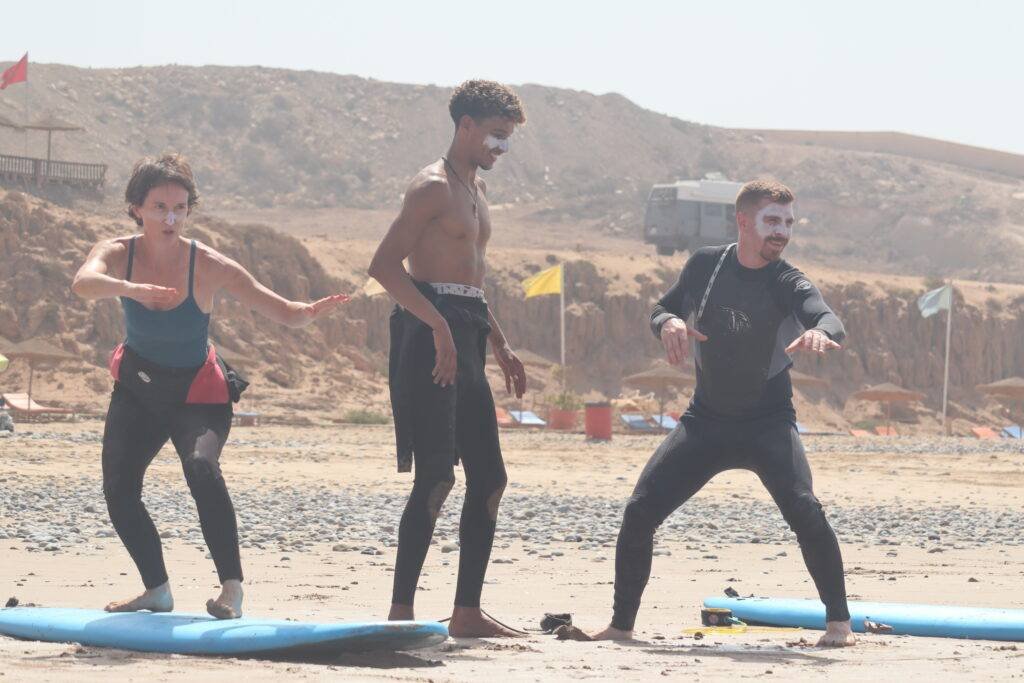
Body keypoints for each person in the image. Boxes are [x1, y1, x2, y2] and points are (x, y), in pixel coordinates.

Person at [71, 154, 349, 619]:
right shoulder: (119, 252)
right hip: (138, 389)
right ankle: (156, 589)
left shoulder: (208, 263)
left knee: (201, 466)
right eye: (159, 206)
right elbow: (83, 283)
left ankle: (231, 590)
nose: (170, 218)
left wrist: (307, 313)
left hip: (198, 394)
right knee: (119, 488)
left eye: (180, 208)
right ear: (136, 207)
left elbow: (281, 309)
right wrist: (134, 289)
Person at [590, 180, 856, 647]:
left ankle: (839, 625)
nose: (783, 232)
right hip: (705, 422)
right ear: (743, 221)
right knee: (639, 512)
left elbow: (827, 316)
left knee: (806, 511)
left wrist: (820, 332)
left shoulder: (786, 280)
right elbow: (660, 308)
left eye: (789, 222)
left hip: (767, 424)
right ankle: (621, 627)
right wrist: (668, 322)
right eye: (772, 221)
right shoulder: (705, 265)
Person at [369, 80, 528, 637]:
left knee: (490, 478)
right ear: (465, 126)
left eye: (508, 141)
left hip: (467, 330)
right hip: (428, 334)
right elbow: (385, 267)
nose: (501, 150)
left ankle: (465, 613)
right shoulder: (432, 188)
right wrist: (435, 325)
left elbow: (472, 282)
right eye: (497, 138)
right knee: (436, 478)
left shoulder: (476, 189)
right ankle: (399, 615)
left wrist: (500, 344)